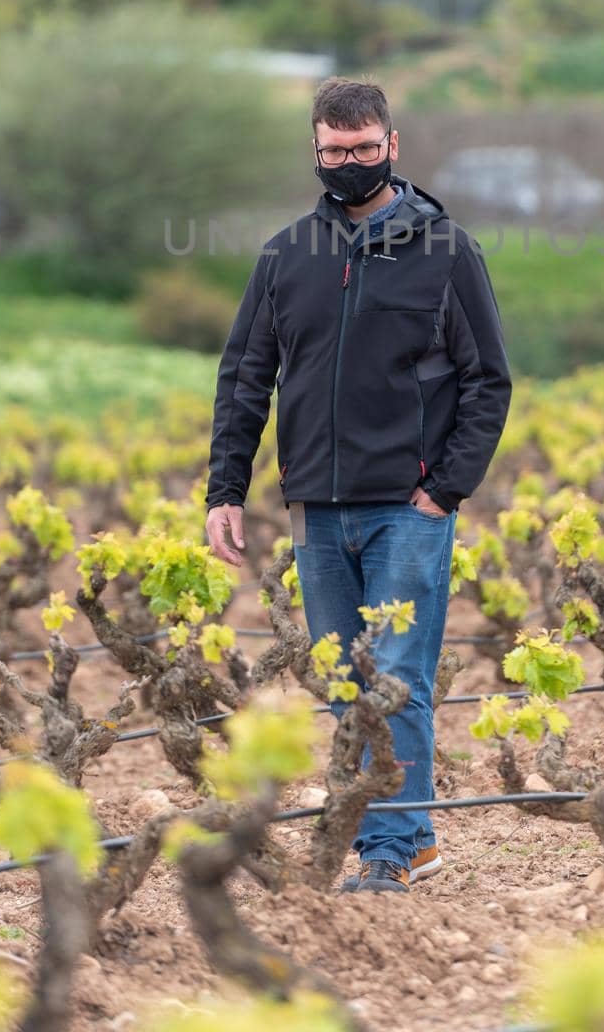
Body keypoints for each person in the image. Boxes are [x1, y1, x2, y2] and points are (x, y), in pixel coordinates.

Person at [204, 75, 513, 895]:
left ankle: (398, 847)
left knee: (397, 677)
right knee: (347, 685)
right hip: (316, 507)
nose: (349, 163)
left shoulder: (447, 252)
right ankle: (393, 836)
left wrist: (443, 491)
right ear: (315, 149)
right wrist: (225, 489)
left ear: (392, 146)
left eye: (364, 149)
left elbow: (489, 382)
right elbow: (246, 379)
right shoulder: (284, 257)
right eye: (334, 152)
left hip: (407, 509)